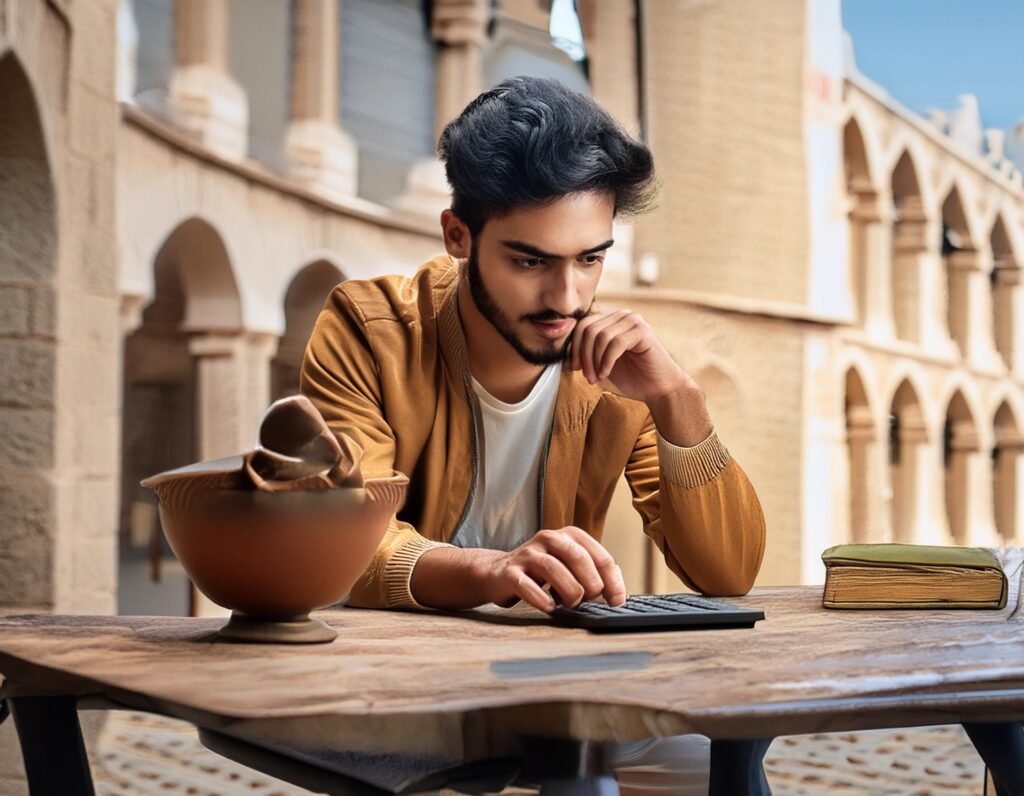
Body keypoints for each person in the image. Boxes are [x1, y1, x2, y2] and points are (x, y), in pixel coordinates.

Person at [301, 75, 767, 795]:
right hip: (390, 675)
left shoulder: (618, 375)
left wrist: (679, 399)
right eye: (530, 261)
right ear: (458, 235)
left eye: (590, 258)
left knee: (715, 769)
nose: (567, 299)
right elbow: (343, 545)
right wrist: (490, 571)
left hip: (546, 677)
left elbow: (727, 573)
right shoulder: (368, 330)